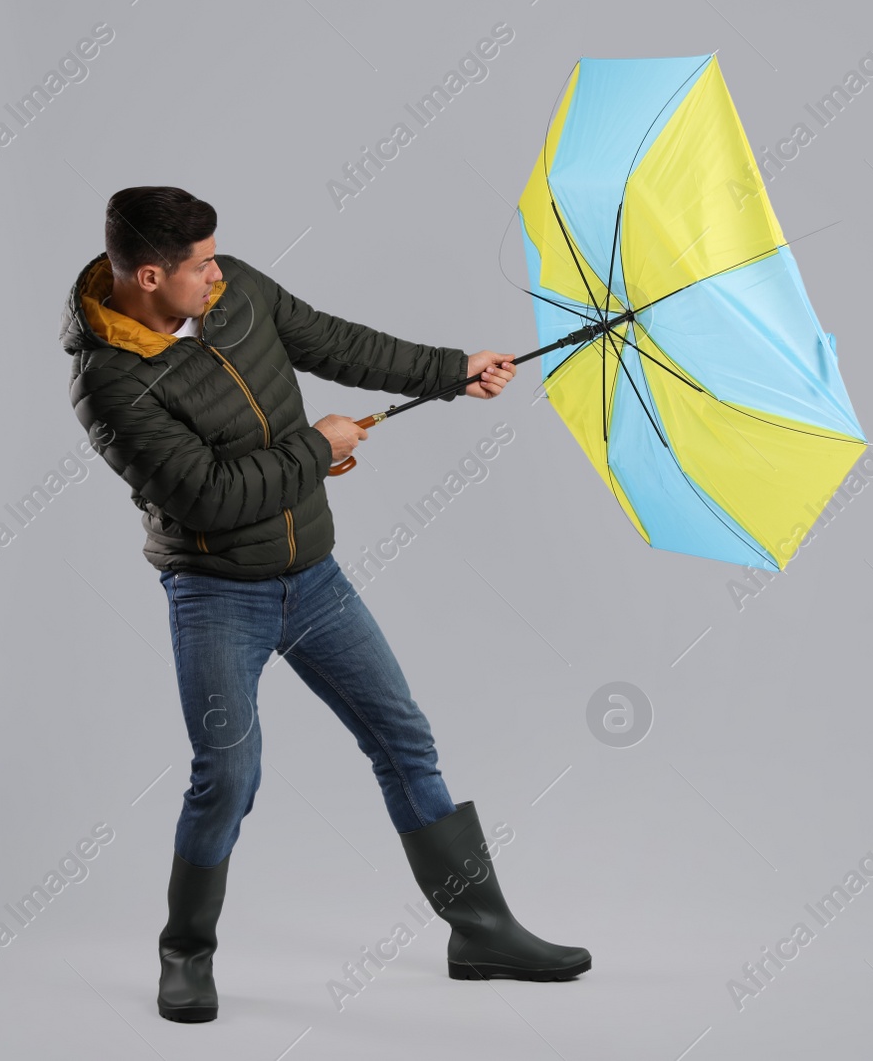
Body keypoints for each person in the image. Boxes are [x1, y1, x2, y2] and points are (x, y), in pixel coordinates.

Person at [59, 186, 591, 1023]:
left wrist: (453, 370)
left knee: (404, 740)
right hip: (214, 595)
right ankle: (185, 954)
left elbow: (334, 341)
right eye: (200, 267)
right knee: (228, 775)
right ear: (152, 275)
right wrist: (321, 446)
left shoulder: (234, 291)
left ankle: (480, 928)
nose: (217, 277)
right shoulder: (110, 383)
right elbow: (208, 498)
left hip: (313, 580)